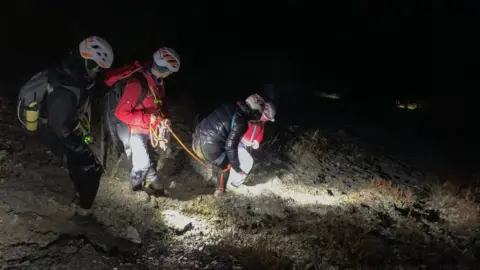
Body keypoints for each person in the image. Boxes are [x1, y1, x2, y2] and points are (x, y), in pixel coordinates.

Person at [16, 36, 115, 217]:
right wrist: (82, 151)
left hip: (54, 128)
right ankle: (84, 213)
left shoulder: (68, 73)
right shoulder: (66, 89)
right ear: (84, 60)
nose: (96, 72)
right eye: (95, 66)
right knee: (90, 169)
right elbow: (62, 129)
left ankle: (79, 193)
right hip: (53, 131)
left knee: (75, 162)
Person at [103, 47, 180, 193]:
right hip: (136, 129)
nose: (170, 74)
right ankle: (135, 188)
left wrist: (165, 118)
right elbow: (121, 113)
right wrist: (147, 118)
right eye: (169, 71)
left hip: (152, 129)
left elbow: (160, 104)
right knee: (142, 163)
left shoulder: (158, 83)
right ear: (162, 68)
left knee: (153, 155)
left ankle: (151, 179)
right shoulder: (137, 84)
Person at [192, 94, 275, 195]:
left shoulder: (232, 105)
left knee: (222, 156)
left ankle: (214, 171)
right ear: (254, 111)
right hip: (206, 149)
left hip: (196, 139)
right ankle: (221, 191)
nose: (258, 117)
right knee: (225, 165)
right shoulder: (241, 122)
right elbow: (230, 146)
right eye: (258, 113)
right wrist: (236, 167)